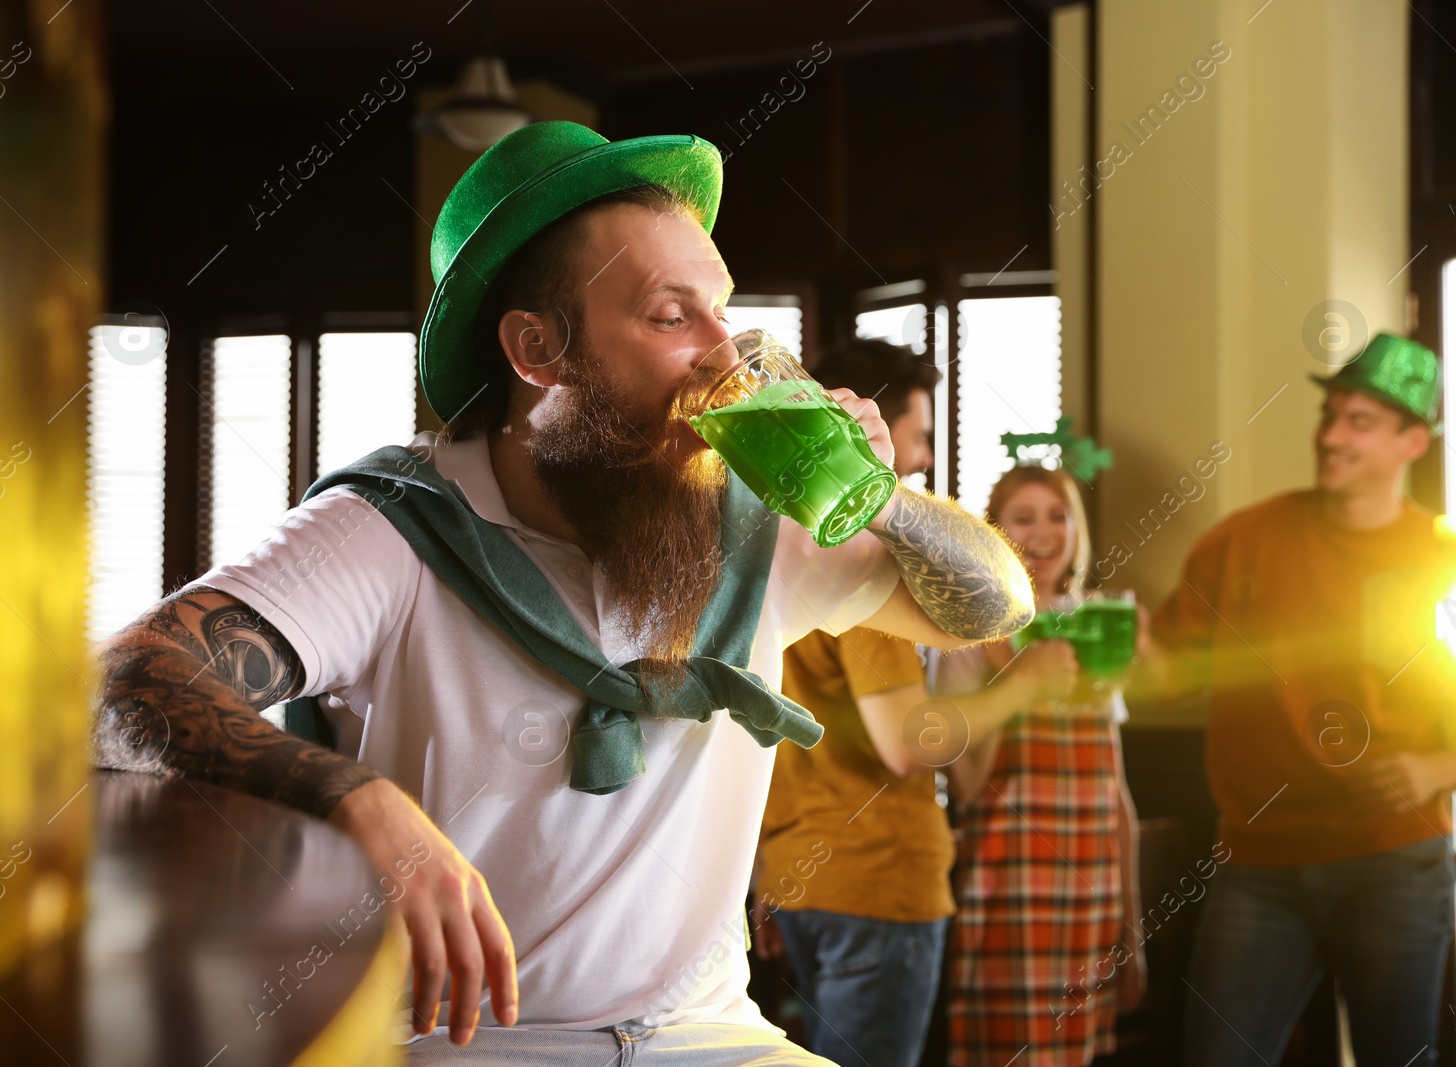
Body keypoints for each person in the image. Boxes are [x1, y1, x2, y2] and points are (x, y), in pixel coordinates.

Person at [92, 121, 1036, 1066]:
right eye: (673, 318)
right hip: (469, 1044)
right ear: (538, 351)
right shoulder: (395, 527)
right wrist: (356, 798)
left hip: (714, 1037)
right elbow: (117, 683)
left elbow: (998, 606)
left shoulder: (758, 519)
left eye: (723, 310)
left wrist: (883, 501)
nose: (724, 352)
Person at [1141, 334, 1456, 1067]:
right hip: (1255, 865)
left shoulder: (1454, 564)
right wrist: (1131, 650)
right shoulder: (1242, 541)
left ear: (1413, 440)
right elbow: (1172, 673)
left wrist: (1437, 769)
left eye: (1360, 422)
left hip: (1393, 865)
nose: (1331, 435)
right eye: (1331, 414)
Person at [753, 341, 1063, 1067]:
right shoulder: (857, 553)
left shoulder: (772, 541)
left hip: (797, 872)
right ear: (872, 427)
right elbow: (904, 739)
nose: (922, 456)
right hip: (879, 880)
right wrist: (1023, 686)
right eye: (919, 433)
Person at [938, 464, 1147, 1067]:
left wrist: (1135, 930)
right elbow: (969, 788)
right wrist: (1020, 684)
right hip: (1008, 894)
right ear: (995, 532)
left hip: (1092, 900)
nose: (1044, 532)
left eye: (1058, 516)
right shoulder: (970, 627)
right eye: (1022, 518)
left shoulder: (1100, 630)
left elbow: (1118, 798)